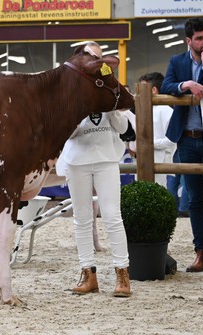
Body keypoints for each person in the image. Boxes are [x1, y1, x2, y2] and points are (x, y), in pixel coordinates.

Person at [57, 42, 131, 297]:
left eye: (97, 57)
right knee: (81, 218)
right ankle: (88, 273)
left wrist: (114, 109)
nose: (94, 61)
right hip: (77, 160)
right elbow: (66, 132)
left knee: (112, 216)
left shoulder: (108, 85)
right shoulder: (69, 89)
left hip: (106, 159)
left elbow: (122, 129)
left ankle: (122, 274)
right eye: (90, 57)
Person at [161, 18, 203, 272]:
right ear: (188, 40)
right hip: (186, 138)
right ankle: (201, 253)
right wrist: (186, 84)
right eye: (199, 38)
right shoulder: (177, 61)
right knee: (194, 199)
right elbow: (165, 86)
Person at [128, 72, 176, 188]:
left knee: (158, 192)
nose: (137, 93)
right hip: (140, 161)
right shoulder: (140, 111)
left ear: (153, 90)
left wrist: (149, 143)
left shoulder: (166, 110)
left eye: (141, 89)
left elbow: (172, 139)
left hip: (160, 162)